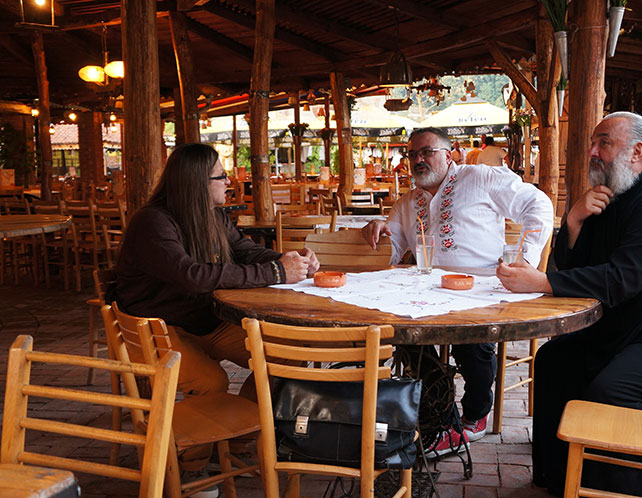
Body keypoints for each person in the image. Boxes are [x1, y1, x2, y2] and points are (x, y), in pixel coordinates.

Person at [496, 112, 642, 498]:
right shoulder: (620, 195)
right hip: (635, 329)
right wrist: (573, 220)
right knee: (554, 360)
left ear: (637, 151)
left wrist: (543, 282)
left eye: (604, 143)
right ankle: (561, 476)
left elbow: (621, 279)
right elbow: (581, 267)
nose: (592, 151)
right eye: (593, 143)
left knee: (610, 392)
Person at [362, 127, 553, 454]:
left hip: (481, 291)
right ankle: (440, 419)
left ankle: (475, 415)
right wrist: (380, 228)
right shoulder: (407, 203)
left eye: (427, 152)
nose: (418, 160)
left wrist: (526, 259)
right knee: (405, 336)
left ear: (448, 155)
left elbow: (538, 204)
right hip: (425, 292)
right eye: (412, 154)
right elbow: (391, 251)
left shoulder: (481, 178)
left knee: (471, 340)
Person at [115, 143, 318, 401]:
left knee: (288, 355)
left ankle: (244, 423)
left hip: (206, 321)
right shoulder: (153, 222)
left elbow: (247, 251)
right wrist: (277, 272)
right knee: (212, 382)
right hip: (159, 328)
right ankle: (207, 427)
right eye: (221, 175)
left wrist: (292, 259)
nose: (228, 181)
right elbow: (192, 276)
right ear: (197, 182)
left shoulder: (214, 217)